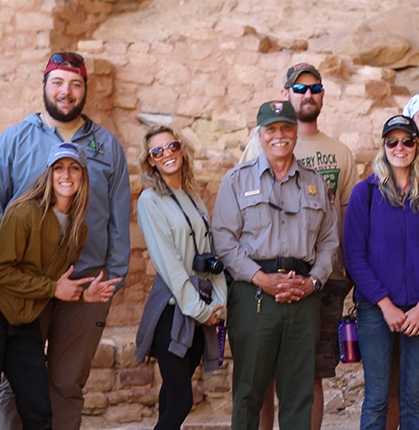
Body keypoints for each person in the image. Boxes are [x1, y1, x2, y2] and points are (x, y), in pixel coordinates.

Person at [0, 52, 131, 430]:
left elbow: (117, 217)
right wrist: (1, 274)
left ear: (85, 90)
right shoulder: (14, 140)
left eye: (75, 84)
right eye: (58, 82)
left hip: (87, 283)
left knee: (67, 383)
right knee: (16, 383)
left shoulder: (106, 146)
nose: (66, 92)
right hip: (26, 284)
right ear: (45, 85)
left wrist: (113, 278)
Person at [239, 63, 357, 430]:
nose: (308, 94)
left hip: (323, 276)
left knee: (311, 374)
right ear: (286, 93)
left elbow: (348, 217)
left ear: (323, 94)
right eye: (300, 88)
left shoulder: (340, 153)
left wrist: (344, 276)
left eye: (315, 88)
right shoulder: (259, 142)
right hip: (264, 277)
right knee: (264, 374)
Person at [212, 100, 339, 430]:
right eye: (271, 130)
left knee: (299, 394)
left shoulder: (315, 182)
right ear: (260, 134)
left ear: (296, 132)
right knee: (249, 391)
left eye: (286, 128)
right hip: (253, 297)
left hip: (303, 296)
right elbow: (223, 240)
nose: (279, 136)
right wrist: (260, 278)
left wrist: (313, 283)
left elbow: (328, 242)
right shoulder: (236, 181)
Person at [0, 142, 119, 429]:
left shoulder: (77, 229)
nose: (66, 175)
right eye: (58, 167)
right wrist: (53, 289)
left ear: (83, 175)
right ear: (49, 173)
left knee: (39, 413)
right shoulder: (24, 212)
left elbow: (53, 288)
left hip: (26, 325)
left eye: (73, 168)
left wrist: (83, 296)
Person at [344, 115, 419, 430]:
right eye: (392, 141)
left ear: (417, 146)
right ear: (383, 146)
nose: (400, 147)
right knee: (377, 397)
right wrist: (384, 303)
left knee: (413, 399)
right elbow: (354, 255)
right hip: (376, 310)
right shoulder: (365, 193)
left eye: (407, 140)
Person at [133, 126, 229, 430]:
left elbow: (210, 255)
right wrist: (202, 311)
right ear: (150, 161)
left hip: (202, 309)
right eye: (157, 152)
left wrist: (219, 302)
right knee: (182, 400)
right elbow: (169, 264)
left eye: (171, 146)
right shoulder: (149, 201)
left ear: (181, 149)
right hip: (174, 310)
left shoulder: (194, 196)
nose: (166, 154)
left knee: (169, 399)